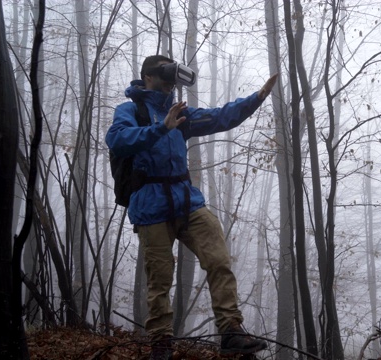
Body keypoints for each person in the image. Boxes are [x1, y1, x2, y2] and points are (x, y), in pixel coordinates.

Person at [106, 54, 277, 360]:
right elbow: (117, 140)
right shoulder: (132, 111)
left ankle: (230, 331)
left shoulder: (180, 113)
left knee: (218, 257)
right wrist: (160, 128)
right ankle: (161, 344)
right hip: (150, 204)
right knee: (159, 277)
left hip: (186, 201)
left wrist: (256, 99)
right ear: (147, 76)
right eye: (164, 73)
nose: (170, 80)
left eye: (173, 74)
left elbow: (221, 116)